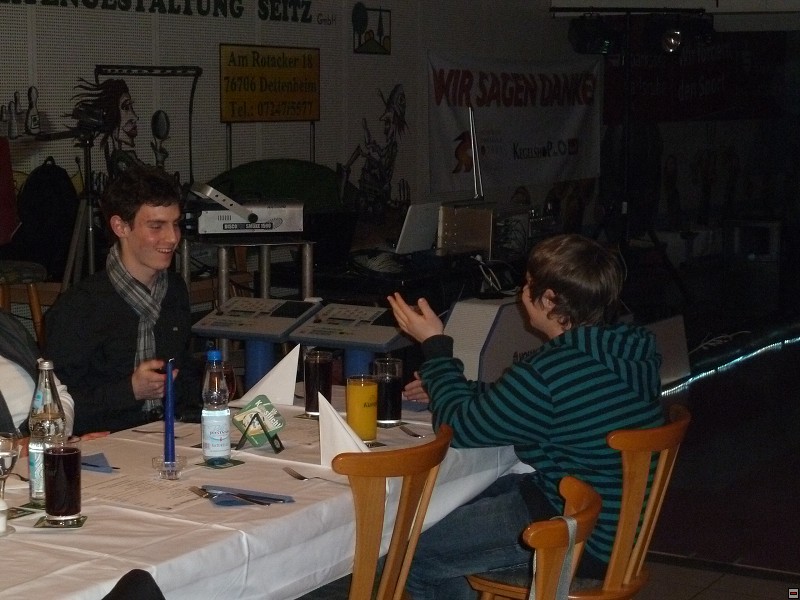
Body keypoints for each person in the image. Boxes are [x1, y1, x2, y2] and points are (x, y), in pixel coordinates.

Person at [386, 233, 664, 600]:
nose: (521, 292)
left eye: (527, 284)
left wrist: (435, 346)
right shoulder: (624, 350)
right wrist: (452, 387)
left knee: (408, 553)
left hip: (579, 533)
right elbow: (543, 402)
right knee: (442, 508)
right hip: (613, 523)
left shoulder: (551, 371)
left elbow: (459, 427)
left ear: (549, 299)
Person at [45, 163, 201, 436]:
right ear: (120, 226)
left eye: (175, 224)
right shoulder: (79, 307)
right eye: (156, 226)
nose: (172, 238)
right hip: (107, 439)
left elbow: (185, 374)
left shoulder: (174, 291)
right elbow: (56, 408)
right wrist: (130, 390)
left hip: (172, 431)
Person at [0, 310, 75, 435]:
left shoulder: (7, 327)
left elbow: (58, 394)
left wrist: (58, 436)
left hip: (48, 439)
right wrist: (18, 444)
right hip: (14, 445)